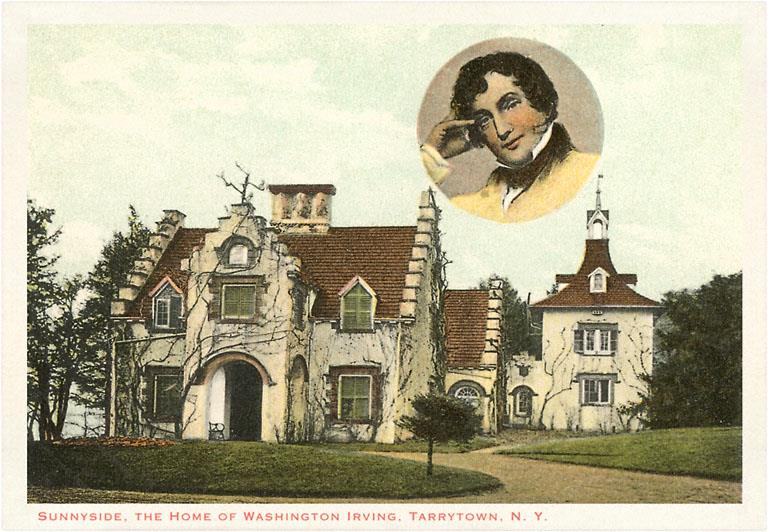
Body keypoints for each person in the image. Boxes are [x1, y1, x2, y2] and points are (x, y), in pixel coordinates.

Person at [421, 51, 599, 223]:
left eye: (510, 104)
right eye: (484, 120)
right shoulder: (469, 205)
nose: (501, 130)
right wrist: (433, 154)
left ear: (542, 103)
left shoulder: (588, 173)